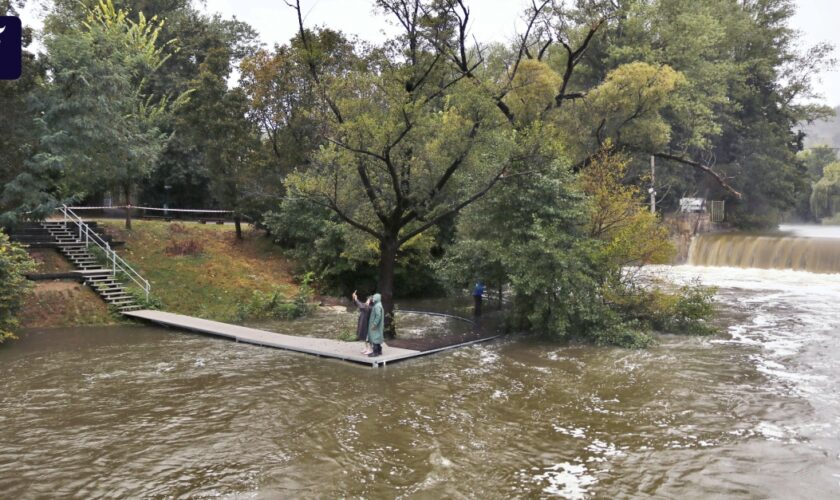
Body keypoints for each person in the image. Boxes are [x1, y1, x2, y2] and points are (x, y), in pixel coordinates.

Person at [367, 293, 384, 357]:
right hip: (378, 325)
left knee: (374, 337)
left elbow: (378, 316)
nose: (373, 299)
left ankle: (375, 352)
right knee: (377, 337)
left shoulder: (377, 306)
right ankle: (379, 350)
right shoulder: (378, 304)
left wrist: (374, 324)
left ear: (377, 298)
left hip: (375, 325)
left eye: (374, 298)